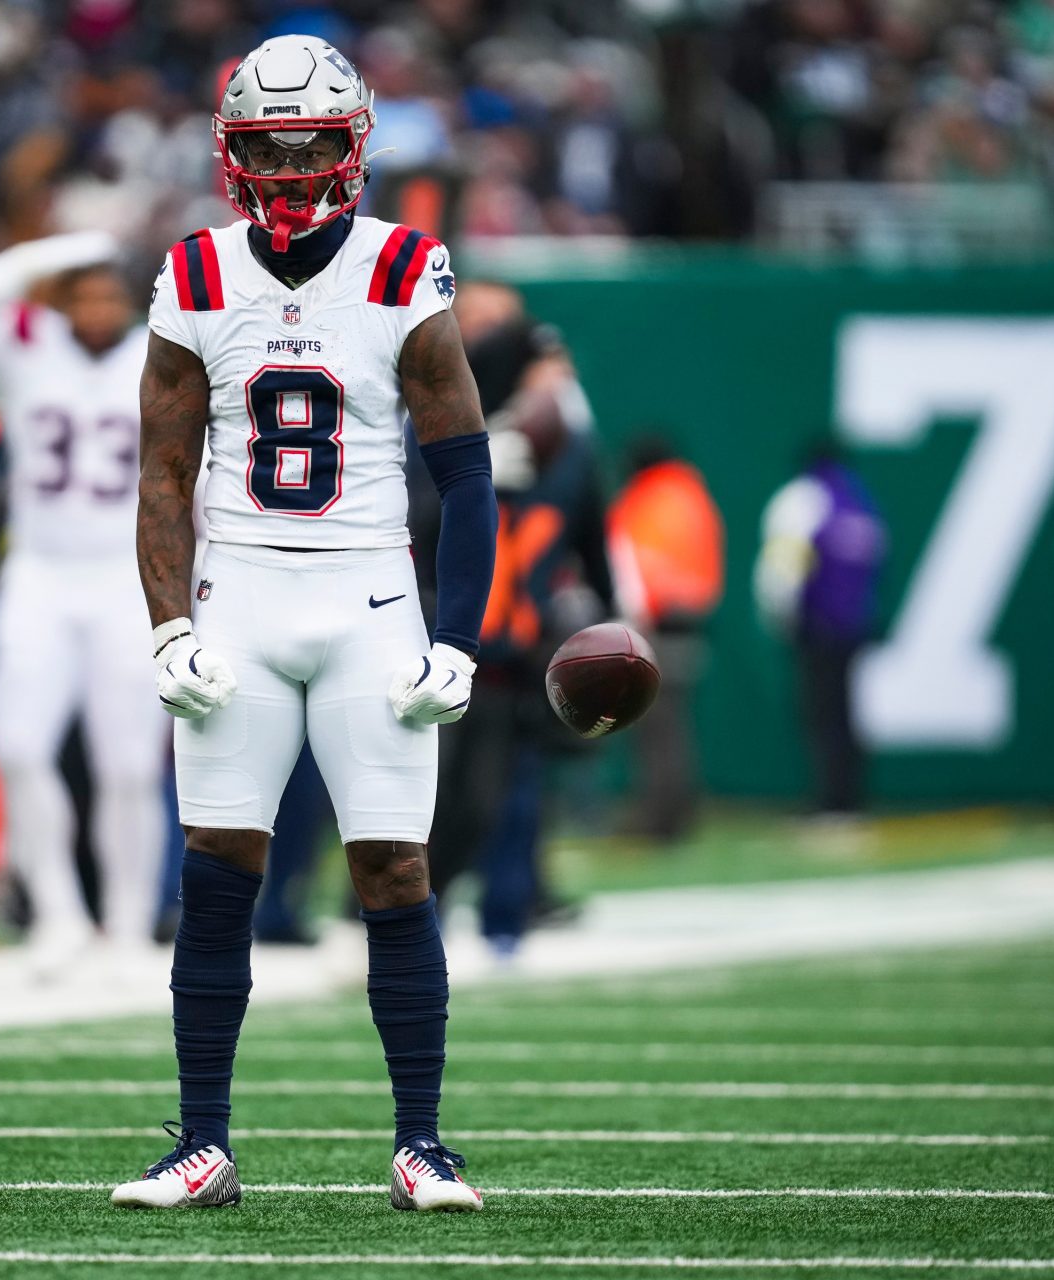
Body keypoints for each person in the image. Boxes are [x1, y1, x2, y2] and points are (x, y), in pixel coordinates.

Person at [113, 35, 495, 1213]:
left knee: (391, 865)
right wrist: (170, 626)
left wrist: (456, 636)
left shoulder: (403, 270)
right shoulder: (195, 274)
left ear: (354, 146)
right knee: (217, 864)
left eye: (311, 143)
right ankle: (203, 1144)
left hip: (369, 594)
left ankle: (423, 1143)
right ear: (230, 154)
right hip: (241, 594)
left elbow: (471, 475)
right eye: (265, 147)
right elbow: (165, 475)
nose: (287, 167)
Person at [0, 232, 164, 971]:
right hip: (39, 571)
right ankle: (58, 912)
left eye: (107, 294)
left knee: (130, 768)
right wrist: (36, 257)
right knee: (17, 747)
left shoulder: (163, 354)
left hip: (128, 575)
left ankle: (126, 923)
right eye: (79, 293)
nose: (94, 309)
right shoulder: (29, 347)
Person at [419, 287, 613, 955]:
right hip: (435, 647)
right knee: (426, 798)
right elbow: (400, 523)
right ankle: (401, 913)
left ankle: (506, 915)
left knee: (494, 801)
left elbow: (593, 550)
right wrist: (469, 472)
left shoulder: (574, 452)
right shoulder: (438, 424)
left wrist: (607, 630)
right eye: (541, 372)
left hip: (515, 656)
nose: (556, 386)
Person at [755, 439, 887, 818]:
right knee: (847, 713)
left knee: (822, 714)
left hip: (817, 625)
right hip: (855, 625)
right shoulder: (860, 501)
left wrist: (781, 615)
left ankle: (830, 802)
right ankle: (850, 799)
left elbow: (782, 567)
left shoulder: (802, 500)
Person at [607, 438, 724, 843]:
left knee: (656, 731)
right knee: (675, 729)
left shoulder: (647, 500)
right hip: (692, 621)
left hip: (655, 624)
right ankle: (679, 813)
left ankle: (659, 820)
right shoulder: (692, 496)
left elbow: (635, 567)